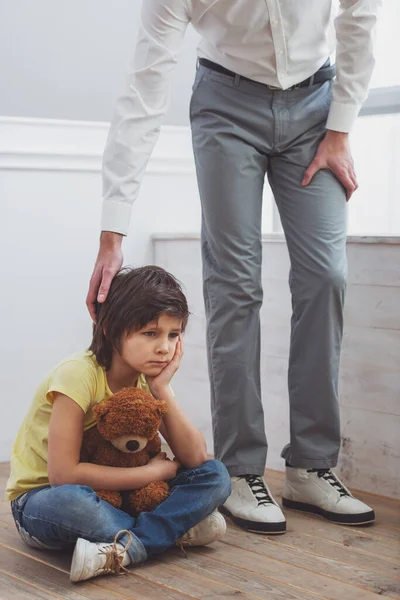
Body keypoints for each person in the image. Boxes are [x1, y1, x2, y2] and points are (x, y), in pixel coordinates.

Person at [87, 1, 380, 534]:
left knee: (326, 275)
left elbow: (360, 14)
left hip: (317, 101)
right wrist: (113, 233)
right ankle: (243, 470)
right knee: (235, 284)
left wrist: (340, 128)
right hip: (226, 103)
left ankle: (312, 465)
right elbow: (144, 89)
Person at [6, 266, 231, 582]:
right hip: (43, 502)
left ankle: (132, 544)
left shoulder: (148, 380)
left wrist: (161, 389)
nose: (164, 347)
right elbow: (63, 476)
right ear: (111, 328)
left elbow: (195, 458)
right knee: (74, 503)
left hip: (120, 499)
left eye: (173, 334)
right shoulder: (78, 374)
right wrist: (152, 473)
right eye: (150, 333)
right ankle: (171, 528)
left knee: (215, 474)